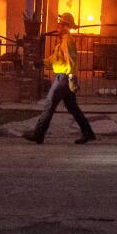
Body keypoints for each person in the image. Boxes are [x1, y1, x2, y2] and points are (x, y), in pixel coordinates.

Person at [23, 12, 96, 144]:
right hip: (63, 77)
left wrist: (72, 81)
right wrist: (41, 63)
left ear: (66, 26)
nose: (57, 25)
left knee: (49, 104)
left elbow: (71, 62)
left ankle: (38, 134)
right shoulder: (62, 41)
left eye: (60, 23)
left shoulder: (68, 41)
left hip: (63, 78)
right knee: (72, 107)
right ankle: (88, 132)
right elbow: (56, 59)